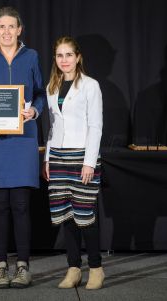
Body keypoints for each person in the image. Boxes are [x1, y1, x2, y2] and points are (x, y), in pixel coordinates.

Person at [0, 6, 45, 289]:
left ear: (20, 29)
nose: (6, 31)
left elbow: (40, 93)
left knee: (22, 206)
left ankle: (23, 265)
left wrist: (34, 112)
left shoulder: (32, 57)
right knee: (0, 206)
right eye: (1, 27)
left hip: (23, 140)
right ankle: (0, 265)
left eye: (11, 26)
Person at [42, 36, 104, 290]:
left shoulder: (90, 85)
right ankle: (73, 268)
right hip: (57, 157)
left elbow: (96, 125)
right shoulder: (51, 87)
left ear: (78, 57)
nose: (64, 60)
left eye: (68, 55)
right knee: (65, 216)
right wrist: (47, 158)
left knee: (84, 214)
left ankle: (97, 269)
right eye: (59, 55)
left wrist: (90, 162)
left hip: (82, 158)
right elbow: (51, 127)